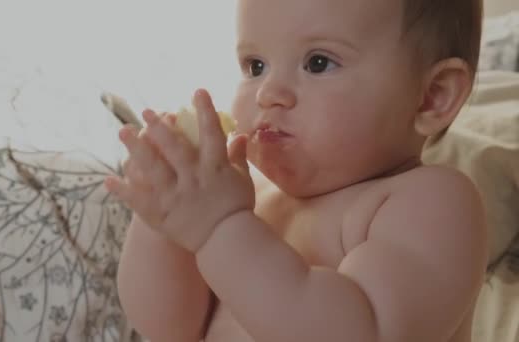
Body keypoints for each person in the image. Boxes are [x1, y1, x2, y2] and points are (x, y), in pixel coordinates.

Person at [106, 0, 488, 340]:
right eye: (255, 66)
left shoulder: (430, 203)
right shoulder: (248, 196)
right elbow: (168, 328)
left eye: (317, 62)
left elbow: (360, 331)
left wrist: (219, 229)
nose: (267, 93)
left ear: (432, 96)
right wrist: (167, 221)